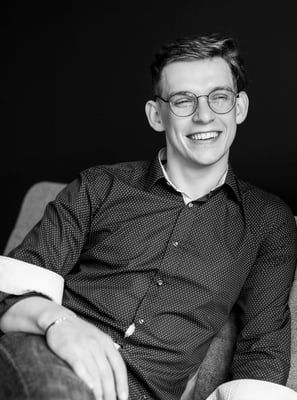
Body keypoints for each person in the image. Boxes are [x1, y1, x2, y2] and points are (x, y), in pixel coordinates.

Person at [0, 33, 297, 400]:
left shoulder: (268, 221)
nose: (204, 115)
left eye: (218, 97)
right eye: (183, 101)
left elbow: (263, 353)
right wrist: (60, 323)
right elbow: (11, 291)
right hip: (45, 357)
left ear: (239, 107)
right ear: (157, 115)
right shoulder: (100, 186)